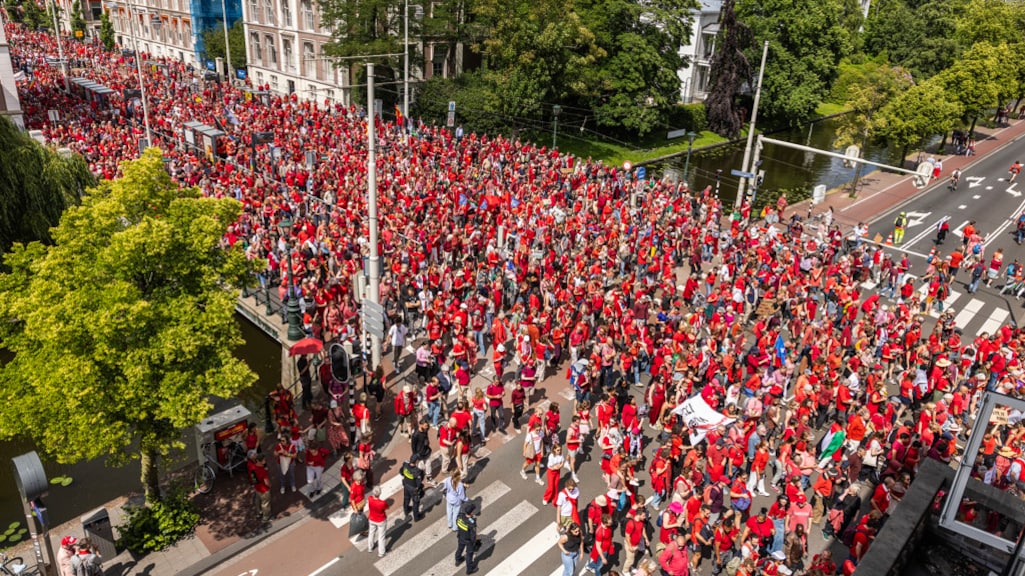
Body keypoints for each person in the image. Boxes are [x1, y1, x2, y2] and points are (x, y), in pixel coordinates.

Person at [247, 451, 272, 527]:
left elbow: (253, 478)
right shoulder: (262, 471)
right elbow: (266, 482)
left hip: (257, 488)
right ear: (261, 461)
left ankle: (259, 513)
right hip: (264, 489)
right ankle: (266, 517)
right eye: (264, 460)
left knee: (257, 501)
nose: (265, 461)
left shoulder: (252, 467)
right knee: (265, 503)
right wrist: (270, 485)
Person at [455, 502, 480, 574]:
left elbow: (457, 523)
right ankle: (469, 569)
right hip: (468, 540)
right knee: (469, 554)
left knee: (460, 548)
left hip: (461, 537)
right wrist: (474, 542)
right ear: (471, 512)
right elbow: (473, 534)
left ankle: (458, 559)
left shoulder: (460, 516)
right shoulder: (471, 522)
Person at [401, 453, 426, 522]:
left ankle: (406, 510)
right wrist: (422, 471)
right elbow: (419, 482)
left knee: (406, 498)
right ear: (416, 461)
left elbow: (401, 472)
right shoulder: (417, 471)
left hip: (406, 485)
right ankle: (416, 517)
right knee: (416, 502)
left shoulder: (405, 464)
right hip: (413, 489)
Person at [367, 485, 388, 558]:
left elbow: (370, 498)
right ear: (380, 493)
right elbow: (387, 507)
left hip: (371, 518)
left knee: (371, 533)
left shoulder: (369, 499)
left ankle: (370, 547)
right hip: (380, 520)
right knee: (381, 536)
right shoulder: (382, 503)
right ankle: (381, 552)